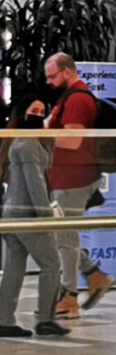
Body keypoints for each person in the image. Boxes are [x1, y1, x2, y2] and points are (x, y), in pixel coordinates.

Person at [45, 52, 115, 320]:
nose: (49, 82)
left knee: (64, 237)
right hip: (66, 177)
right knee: (63, 235)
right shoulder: (72, 97)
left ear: (67, 71)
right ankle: (94, 276)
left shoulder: (77, 99)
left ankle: (70, 296)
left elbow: (73, 141)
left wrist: (40, 137)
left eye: (53, 76)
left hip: (74, 178)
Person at [0, 96, 70, 337]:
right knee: (51, 264)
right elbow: (35, 184)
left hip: (11, 213)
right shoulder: (28, 143)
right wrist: (46, 217)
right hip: (27, 214)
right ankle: (46, 319)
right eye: (35, 110)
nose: (40, 114)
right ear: (24, 113)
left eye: (42, 109)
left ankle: (4, 320)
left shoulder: (17, 140)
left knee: (14, 267)